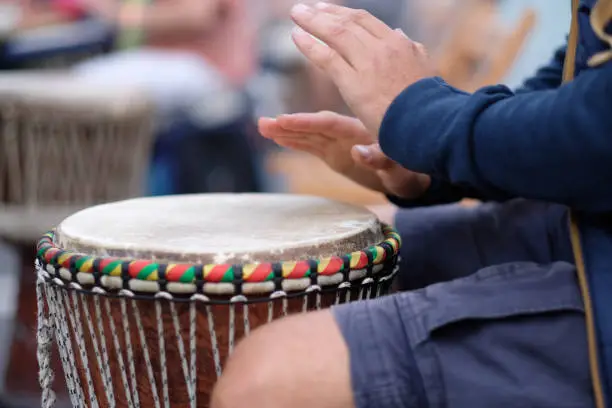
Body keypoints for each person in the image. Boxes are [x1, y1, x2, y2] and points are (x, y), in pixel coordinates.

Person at [210, 1, 612, 408]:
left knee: (267, 378)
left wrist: (427, 117)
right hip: (581, 221)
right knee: (316, 251)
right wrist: (426, 166)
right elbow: (573, 81)